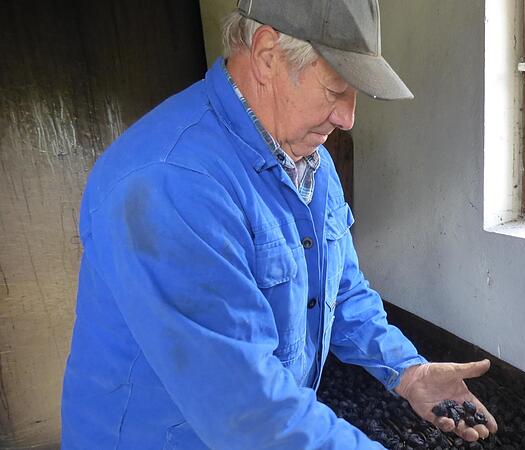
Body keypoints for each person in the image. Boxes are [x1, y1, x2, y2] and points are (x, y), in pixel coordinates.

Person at [61, 0, 497, 448]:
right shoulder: (170, 183)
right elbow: (247, 407)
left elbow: (340, 290)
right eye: (336, 90)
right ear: (268, 55)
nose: (348, 118)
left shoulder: (312, 162)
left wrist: (407, 371)